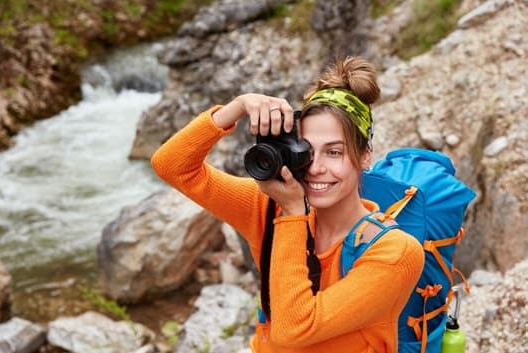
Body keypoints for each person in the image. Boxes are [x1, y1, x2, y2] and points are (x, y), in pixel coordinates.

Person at [151, 56, 424, 353]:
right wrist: (237, 107)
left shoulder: (396, 253)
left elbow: (293, 330)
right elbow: (171, 165)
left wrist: (294, 213)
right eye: (306, 151)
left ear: (364, 156)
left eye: (334, 152)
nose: (316, 167)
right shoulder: (268, 207)